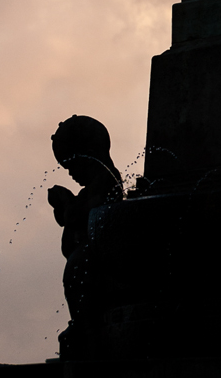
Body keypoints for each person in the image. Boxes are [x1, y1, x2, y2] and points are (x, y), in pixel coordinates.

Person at [48, 115, 123, 357]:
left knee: (79, 273)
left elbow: (83, 214)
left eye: (73, 166)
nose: (71, 174)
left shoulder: (106, 180)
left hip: (90, 265)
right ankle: (83, 326)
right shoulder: (94, 185)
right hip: (85, 263)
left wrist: (65, 200)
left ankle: (86, 330)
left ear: (89, 155)